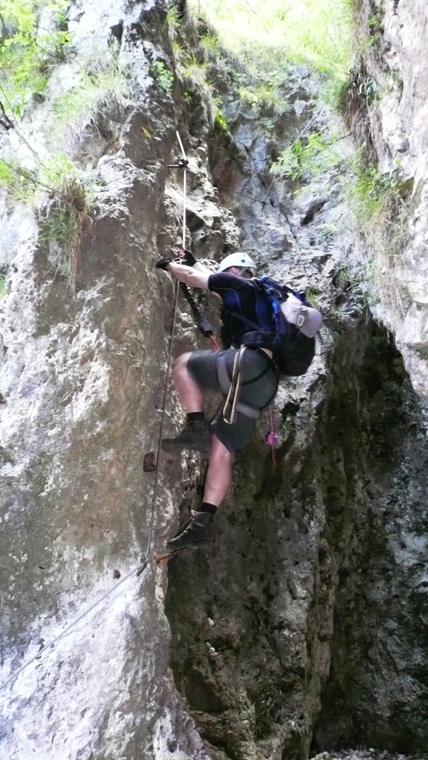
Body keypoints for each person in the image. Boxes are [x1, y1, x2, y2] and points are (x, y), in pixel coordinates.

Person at [155, 251, 279, 551]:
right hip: (265, 384)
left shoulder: (239, 285)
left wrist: (169, 265)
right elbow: (212, 278)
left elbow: (197, 280)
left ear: (234, 272)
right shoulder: (261, 298)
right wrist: (195, 261)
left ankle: (196, 426)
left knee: (184, 364)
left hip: (246, 365)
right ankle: (203, 522)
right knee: (221, 450)